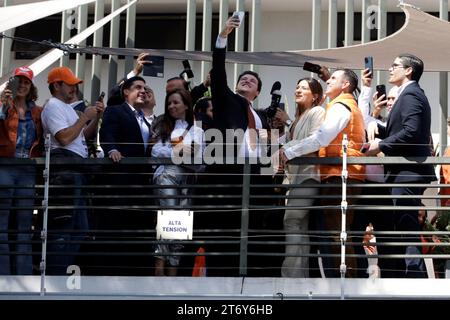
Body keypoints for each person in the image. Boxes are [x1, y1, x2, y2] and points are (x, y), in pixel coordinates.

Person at [277, 68, 366, 277]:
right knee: (335, 232)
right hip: (339, 174)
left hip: (340, 175)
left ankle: (344, 286)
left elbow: (321, 138)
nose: (328, 81)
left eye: (333, 78)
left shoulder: (340, 106)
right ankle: (340, 283)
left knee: (336, 234)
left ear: (345, 85)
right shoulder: (343, 105)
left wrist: (288, 152)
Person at [366, 54, 437, 278]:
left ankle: (414, 278)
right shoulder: (409, 94)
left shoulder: (411, 95)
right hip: (404, 171)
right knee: (403, 226)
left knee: (405, 227)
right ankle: (412, 277)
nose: (390, 69)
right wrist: (379, 129)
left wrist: (381, 145)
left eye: (395, 65)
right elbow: (404, 131)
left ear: (408, 71)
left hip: (407, 172)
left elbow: (412, 132)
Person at [41, 66, 102, 274]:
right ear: (56, 85)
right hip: (65, 169)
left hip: (75, 168)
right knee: (64, 226)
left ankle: (59, 273)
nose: (74, 88)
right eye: (70, 84)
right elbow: (65, 138)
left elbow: (81, 136)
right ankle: (55, 275)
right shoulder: (52, 106)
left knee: (79, 228)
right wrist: (85, 117)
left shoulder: (65, 108)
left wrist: (95, 118)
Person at [273, 78, 325, 278]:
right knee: (299, 226)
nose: (298, 90)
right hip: (294, 179)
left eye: (304, 87)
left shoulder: (318, 112)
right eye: (297, 86)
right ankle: (299, 278)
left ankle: (290, 276)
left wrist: (286, 149)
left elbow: (315, 140)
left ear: (316, 96)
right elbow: (282, 143)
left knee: (292, 221)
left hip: (308, 176)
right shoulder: (297, 119)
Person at [151, 88, 205, 276]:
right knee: (168, 222)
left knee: (180, 228)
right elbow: (156, 153)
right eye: (169, 103)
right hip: (166, 176)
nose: (172, 106)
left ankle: (172, 275)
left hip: (187, 181)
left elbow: (200, 161)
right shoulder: (163, 126)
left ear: (186, 105)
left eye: (176, 102)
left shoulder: (197, 130)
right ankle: (159, 272)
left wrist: (179, 152)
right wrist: (182, 151)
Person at [0, 66, 43, 275]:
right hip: (5, 166)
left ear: (31, 86)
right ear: (11, 84)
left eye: (26, 82)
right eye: (18, 81)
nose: (22, 86)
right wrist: (2, 103)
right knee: (2, 225)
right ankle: (4, 276)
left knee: (24, 226)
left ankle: (24, 276)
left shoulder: (37, 111)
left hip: (27, 169)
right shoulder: (3, 106)